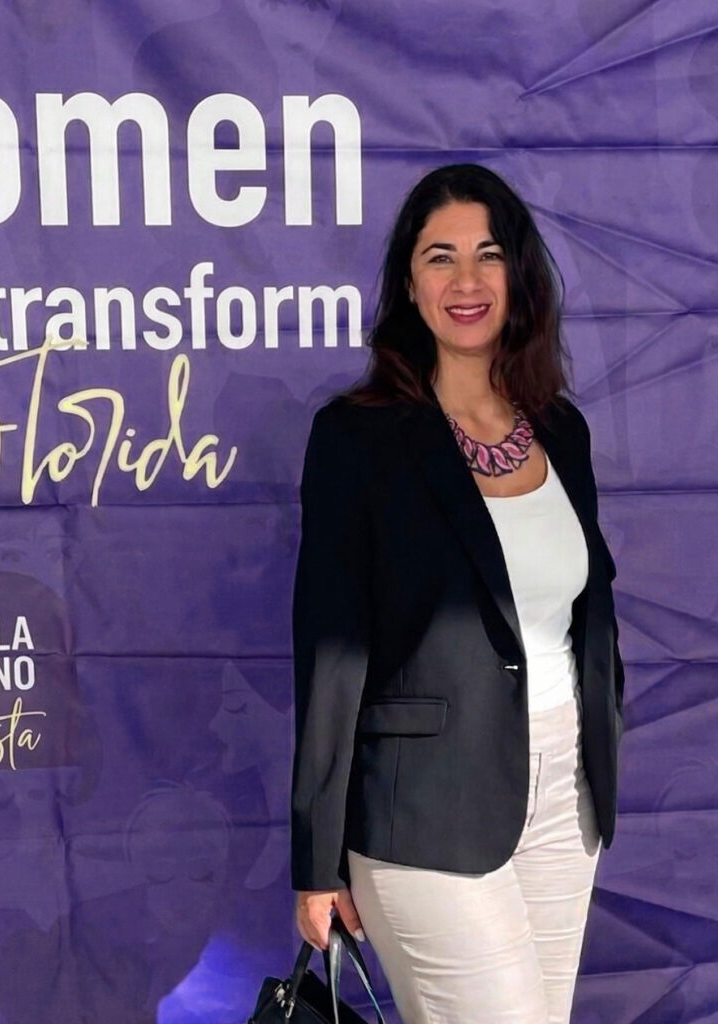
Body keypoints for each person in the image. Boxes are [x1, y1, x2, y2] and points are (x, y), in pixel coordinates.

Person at [290, 163, 625, 1024]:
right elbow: (331, 650)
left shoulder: (562, 430)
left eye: (488, 255)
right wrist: (317, 861)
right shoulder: (357, 439)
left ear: (519, 275)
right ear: (410, 283)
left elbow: (587, 617)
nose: (466, 281)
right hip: (424, 812)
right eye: (440, 257)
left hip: (566, 798)